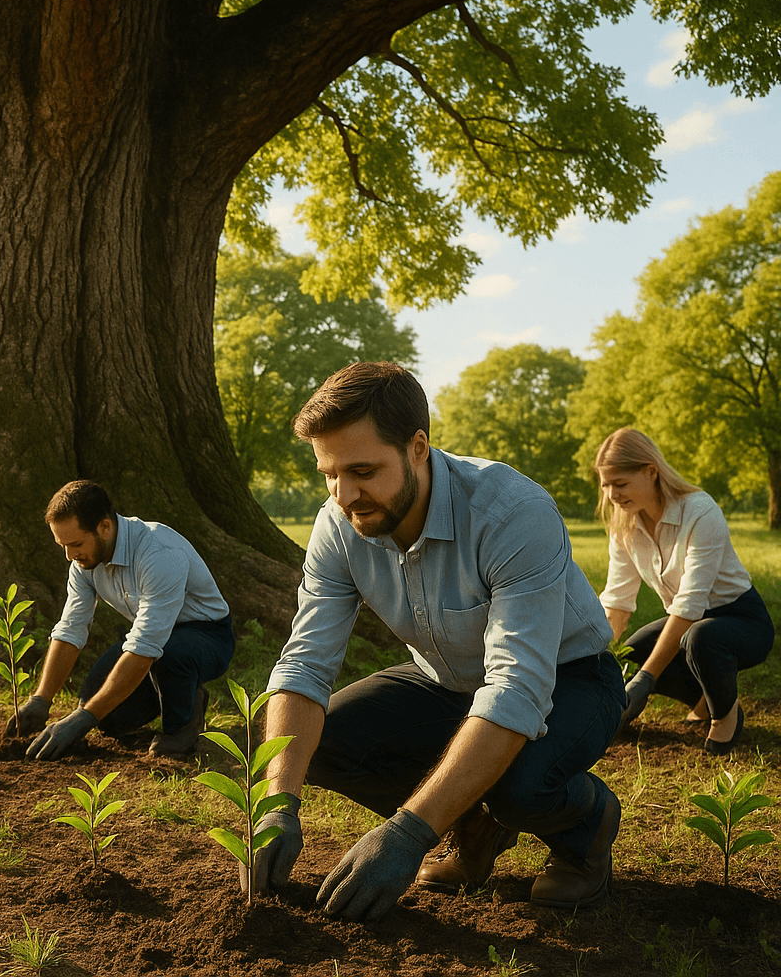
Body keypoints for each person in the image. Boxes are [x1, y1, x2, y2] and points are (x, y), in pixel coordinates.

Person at [248, 362, 624, 922]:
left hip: (568, 678)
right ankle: (473, 824)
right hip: (445, 678)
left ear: (418, 447)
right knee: (308, 746)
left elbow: (518, 687)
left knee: (520, 789)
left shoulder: (511, 513)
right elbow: (304, 665)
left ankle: (585, 825)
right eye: (329, 473)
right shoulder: (338, 524)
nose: (345, 495)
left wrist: (409, 832)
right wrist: (277, 802)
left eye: (363, 470)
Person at [12, 480, 235, 761]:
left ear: (104, 527)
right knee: (103, 713)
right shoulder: (82, 563)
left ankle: (182, 728)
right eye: (63, 545)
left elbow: (146, 645)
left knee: (169, 655)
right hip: (154, 639)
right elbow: (71, 628)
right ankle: (184, 693)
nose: (70, 555)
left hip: (207, 636)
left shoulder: (159, 553)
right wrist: (41, 699)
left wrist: (81, 719)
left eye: (76, 543)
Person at [596, 428, 774, 755]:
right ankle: (703, 700)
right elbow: (617, 603)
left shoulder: (700, 511)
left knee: (701, 638)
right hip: (689, 619)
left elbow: (691, 604)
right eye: (605, 484)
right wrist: (597, 663)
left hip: (741, 620)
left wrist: (646, 681)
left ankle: (725, 714)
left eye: (620, 484)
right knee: (633, 654)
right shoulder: (624, 526)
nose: (612, 495)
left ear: (651, 472)